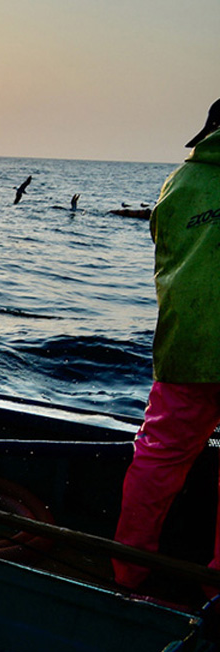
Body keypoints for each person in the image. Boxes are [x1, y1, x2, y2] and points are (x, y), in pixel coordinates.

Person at [113, 97, 220, 596]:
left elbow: (166, 243)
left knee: (157, 459)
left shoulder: (180, 181)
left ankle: (128, 576)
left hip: (185, 345)